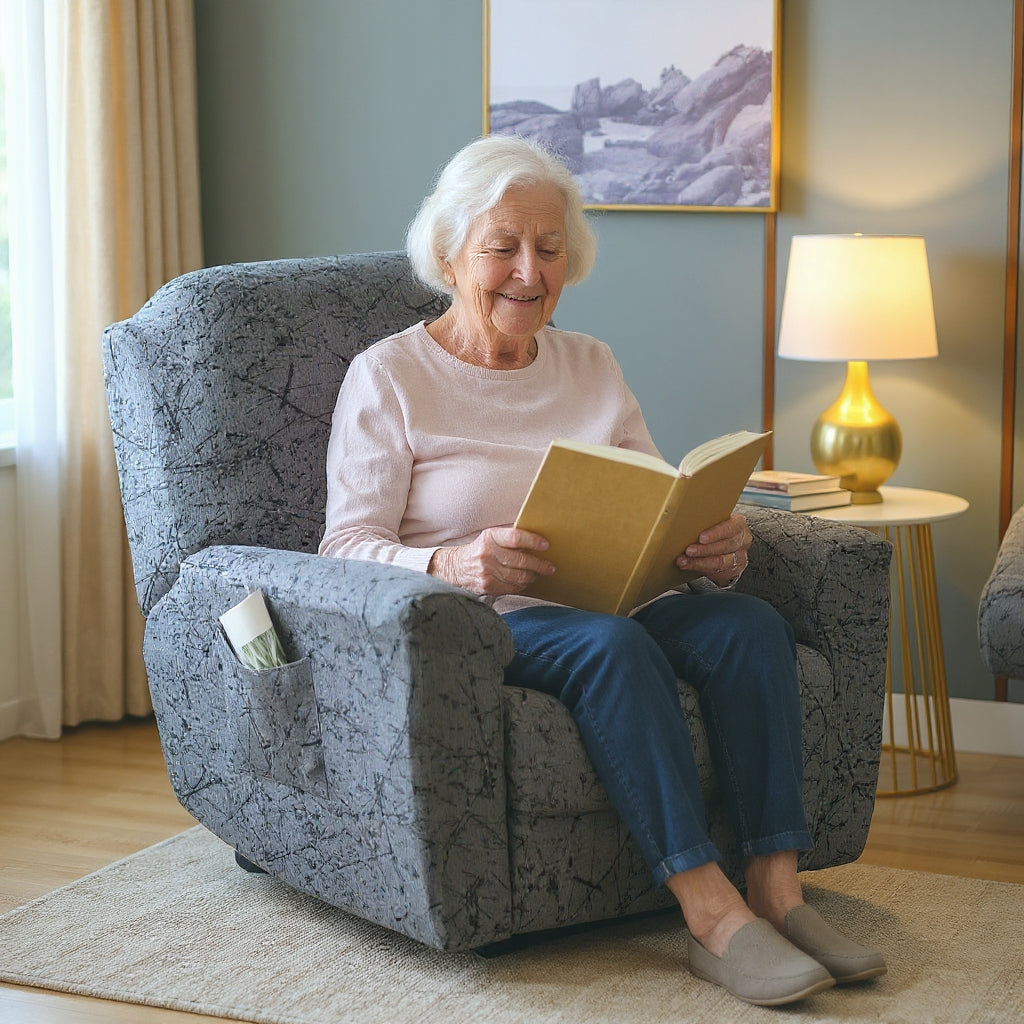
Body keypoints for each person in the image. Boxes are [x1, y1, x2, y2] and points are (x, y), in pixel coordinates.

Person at [319, 134, 886, 1006]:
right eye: (500, 247)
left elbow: (658, 494)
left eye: (548, 249)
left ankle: (780, 889)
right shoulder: (389, 375)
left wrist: (711, 547)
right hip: (492, 617)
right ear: (447, 255)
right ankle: (712, 916)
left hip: (627, 593)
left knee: (747, 627)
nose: (527, 271)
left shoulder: (591, 363)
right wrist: (454, 560)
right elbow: (345, 546)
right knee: (610, 648)